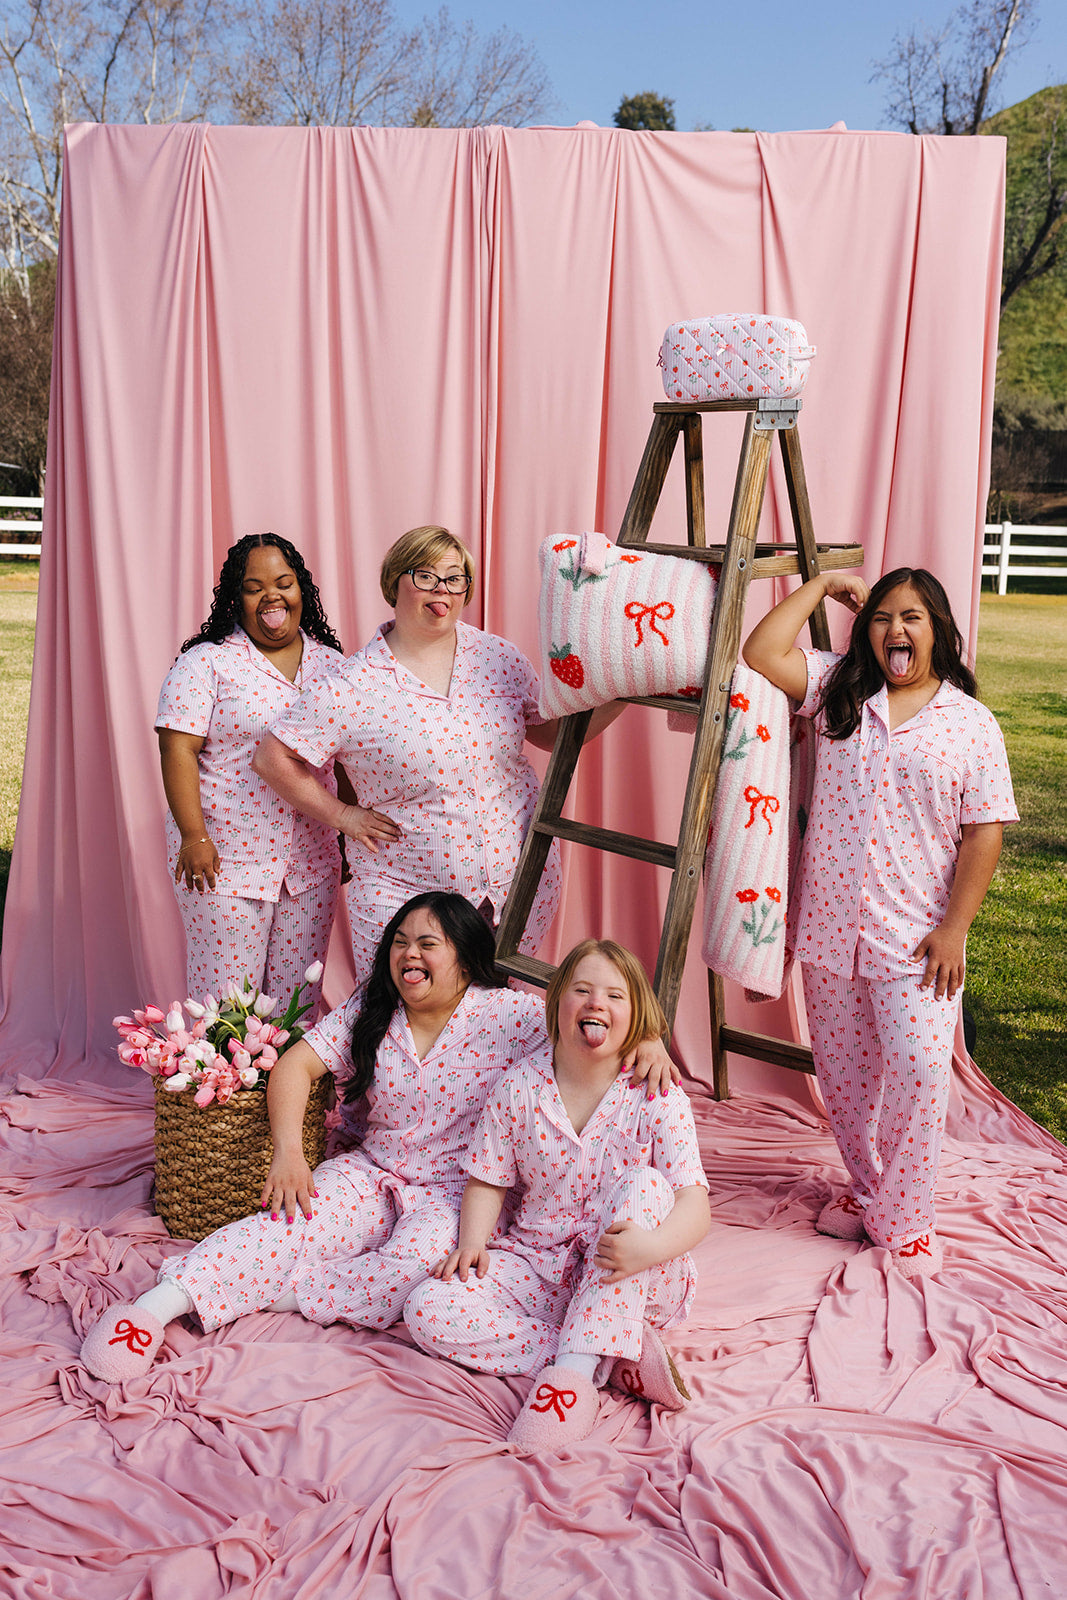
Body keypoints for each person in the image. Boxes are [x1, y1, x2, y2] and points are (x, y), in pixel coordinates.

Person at [80, 895, 678, 1382]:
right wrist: (290, 1154)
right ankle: (153, 1310)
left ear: (464, 960)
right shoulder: (373, 1009)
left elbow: (588, 1021)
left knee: (414, 1274)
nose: (409, 954)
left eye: (428, 943)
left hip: (458, 1195)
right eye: (400, 941)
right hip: (371, 1171)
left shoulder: (509, 1016)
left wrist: (649, 1037)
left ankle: (271, 1290)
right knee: (284, 1225)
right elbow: (294, 1067)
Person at [742, 568, 1017, 1276]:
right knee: (845, 1083)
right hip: (829, 929)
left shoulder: (969, 723)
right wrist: (821, 584)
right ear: (866, 631)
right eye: (883, 617)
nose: (896, 629)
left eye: (912, 618)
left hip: (916, 935)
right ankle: (869, 1193)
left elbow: (983, 832)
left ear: (938, 631)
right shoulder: (840, 691)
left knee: (920, 1072)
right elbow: (760, 651)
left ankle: (907, 1220)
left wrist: (955, 928)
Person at [252, 525, 623, 981]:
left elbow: (549, 734)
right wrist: (342, 816)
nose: (442, 588)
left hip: (517, 887)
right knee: (405, 1016)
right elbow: (272, 758)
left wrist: (623, 692)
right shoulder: (353, 684)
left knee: (499, 1012)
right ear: (394, 583)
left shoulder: (498, 657)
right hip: (407, 897)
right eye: (425, 576)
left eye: (454, 577)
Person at [404, 939, 711, 1452]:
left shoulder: (658, 1095)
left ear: (637, 1017)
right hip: (540, 1265)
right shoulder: (518, 1086)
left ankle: (573, 1373)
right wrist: (473, 1243)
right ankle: (612, 1354)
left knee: (647, 1183)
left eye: (614, 996)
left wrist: (651, 1248)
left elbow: (694, 1205)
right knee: (426, 1307)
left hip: (636, 1272)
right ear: (558, 1001)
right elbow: (488, 1178)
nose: (596, 1003)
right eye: (582, 990)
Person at [156, 534, 346, 1016]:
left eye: (283, 583)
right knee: (225, 1008)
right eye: (254, 587)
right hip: (224, 859)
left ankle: (292, 1072)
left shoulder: (334, 666)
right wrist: (194, 836)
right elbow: (177, 749)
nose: (271, 597)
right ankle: (221, 1073)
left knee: (297, 1004)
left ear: (302, 590)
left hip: (311, 862)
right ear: (235, 598)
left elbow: (347, 758)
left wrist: (345, 831)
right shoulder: (206, 663)